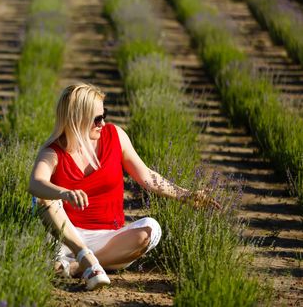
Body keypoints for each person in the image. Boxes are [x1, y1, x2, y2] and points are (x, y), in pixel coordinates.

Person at [29, 83, 219, 291]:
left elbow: (147, 176)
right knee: (43, 197)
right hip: (65, 238)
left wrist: (186, 196)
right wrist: (63, 192)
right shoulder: (54, 152)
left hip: (108, 241)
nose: (103, 123)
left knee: (151, 229)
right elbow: (36, 183)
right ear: (77, 119)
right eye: (97, 119)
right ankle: (83, 256)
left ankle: (77, 266)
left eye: (104, 115)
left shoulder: (115, 136)